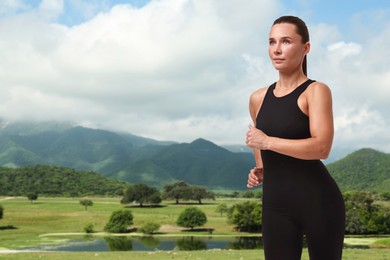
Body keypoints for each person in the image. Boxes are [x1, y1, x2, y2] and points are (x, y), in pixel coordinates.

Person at [245, 16, 345, 260]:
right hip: (275, 206)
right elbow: (262, 151)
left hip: (319, 203)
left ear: (306, 48)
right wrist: (261, 170)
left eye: (286, 41)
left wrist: (267, 142)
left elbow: (321, 147)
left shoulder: (316, 91)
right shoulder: (258, 98)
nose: (277, 49)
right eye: (272, 42)